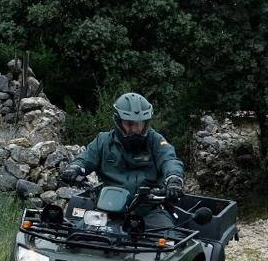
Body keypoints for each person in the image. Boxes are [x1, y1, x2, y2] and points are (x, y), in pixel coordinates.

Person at [62, 92, 185, 230]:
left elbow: (169, 160)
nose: (136, 129)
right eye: (130, 124)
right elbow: (85, 158)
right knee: (78, 236)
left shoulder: (156, 141)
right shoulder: (103, 141)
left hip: (148, 210)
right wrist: (74, 168)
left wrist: (174, 179)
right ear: (118, 122)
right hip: (106, 209)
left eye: (140, 124)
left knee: (167, 241)